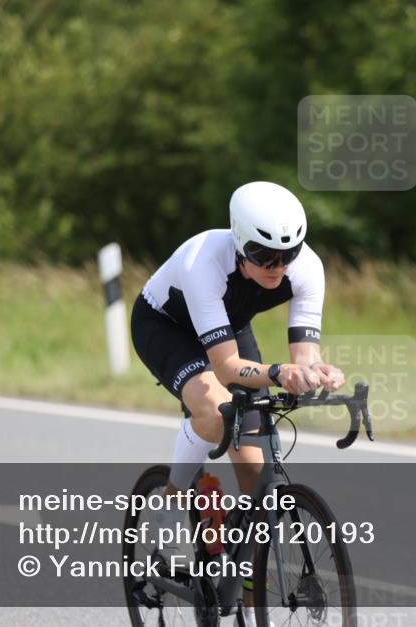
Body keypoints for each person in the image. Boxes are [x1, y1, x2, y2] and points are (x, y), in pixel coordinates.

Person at [130, 180, 345, 625]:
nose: (277, 266)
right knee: (213, 413)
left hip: (227, 325)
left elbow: (304, 354)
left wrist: (315, 372)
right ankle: (172, 499)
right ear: (238, 241)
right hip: (166, 326)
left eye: (287, 255)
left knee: (254, 466)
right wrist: (278, 372)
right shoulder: (205, 262)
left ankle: (250, 597)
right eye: (264, 256)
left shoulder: (306, 268)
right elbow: (227, 368)